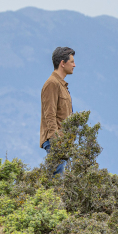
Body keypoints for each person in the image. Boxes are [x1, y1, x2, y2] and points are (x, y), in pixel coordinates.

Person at [40, 46, 75, 175]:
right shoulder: (52, 84)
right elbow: (49, 114)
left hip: (63, 142)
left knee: (61, 183)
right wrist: (56, 142)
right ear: (62, 63)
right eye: (71, 61)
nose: (74, 65)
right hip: (56, 142)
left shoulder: (61, 85)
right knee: (55, 183)